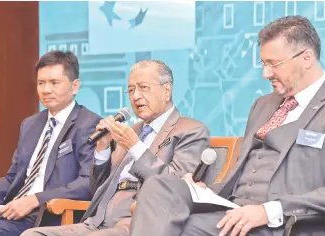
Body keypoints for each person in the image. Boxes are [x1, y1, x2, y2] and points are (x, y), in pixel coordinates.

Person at [129, 16, 325, 236]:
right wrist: (206, 192)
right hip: (233, 211)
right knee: (158, 187)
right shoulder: (262, 105)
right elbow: (242, 173)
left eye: (274, 64)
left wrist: (270, 210)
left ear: (307, 58)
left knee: (181, 227)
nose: (266, 74)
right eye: (264, 64)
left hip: (283, 223)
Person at [22, 60, 210, 236]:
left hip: (135, 224)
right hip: (95, 221)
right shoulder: (131, 130)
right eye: (130, 90)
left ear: (167, 90)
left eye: (144, 88)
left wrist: (135, 147)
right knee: (32, 234)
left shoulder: (190, 130)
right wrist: (102, 150)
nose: (136, 96)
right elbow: (97, 189)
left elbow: (176, 187)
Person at [0, 50, 101, 236]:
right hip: (13, 212)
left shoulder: (89, 124)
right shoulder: (30, 124)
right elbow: (12, 180)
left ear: (75, 86)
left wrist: (35, 199)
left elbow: (88, 183)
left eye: (54, 83)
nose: (46, 90)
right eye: (41, 83)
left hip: (50, 215)